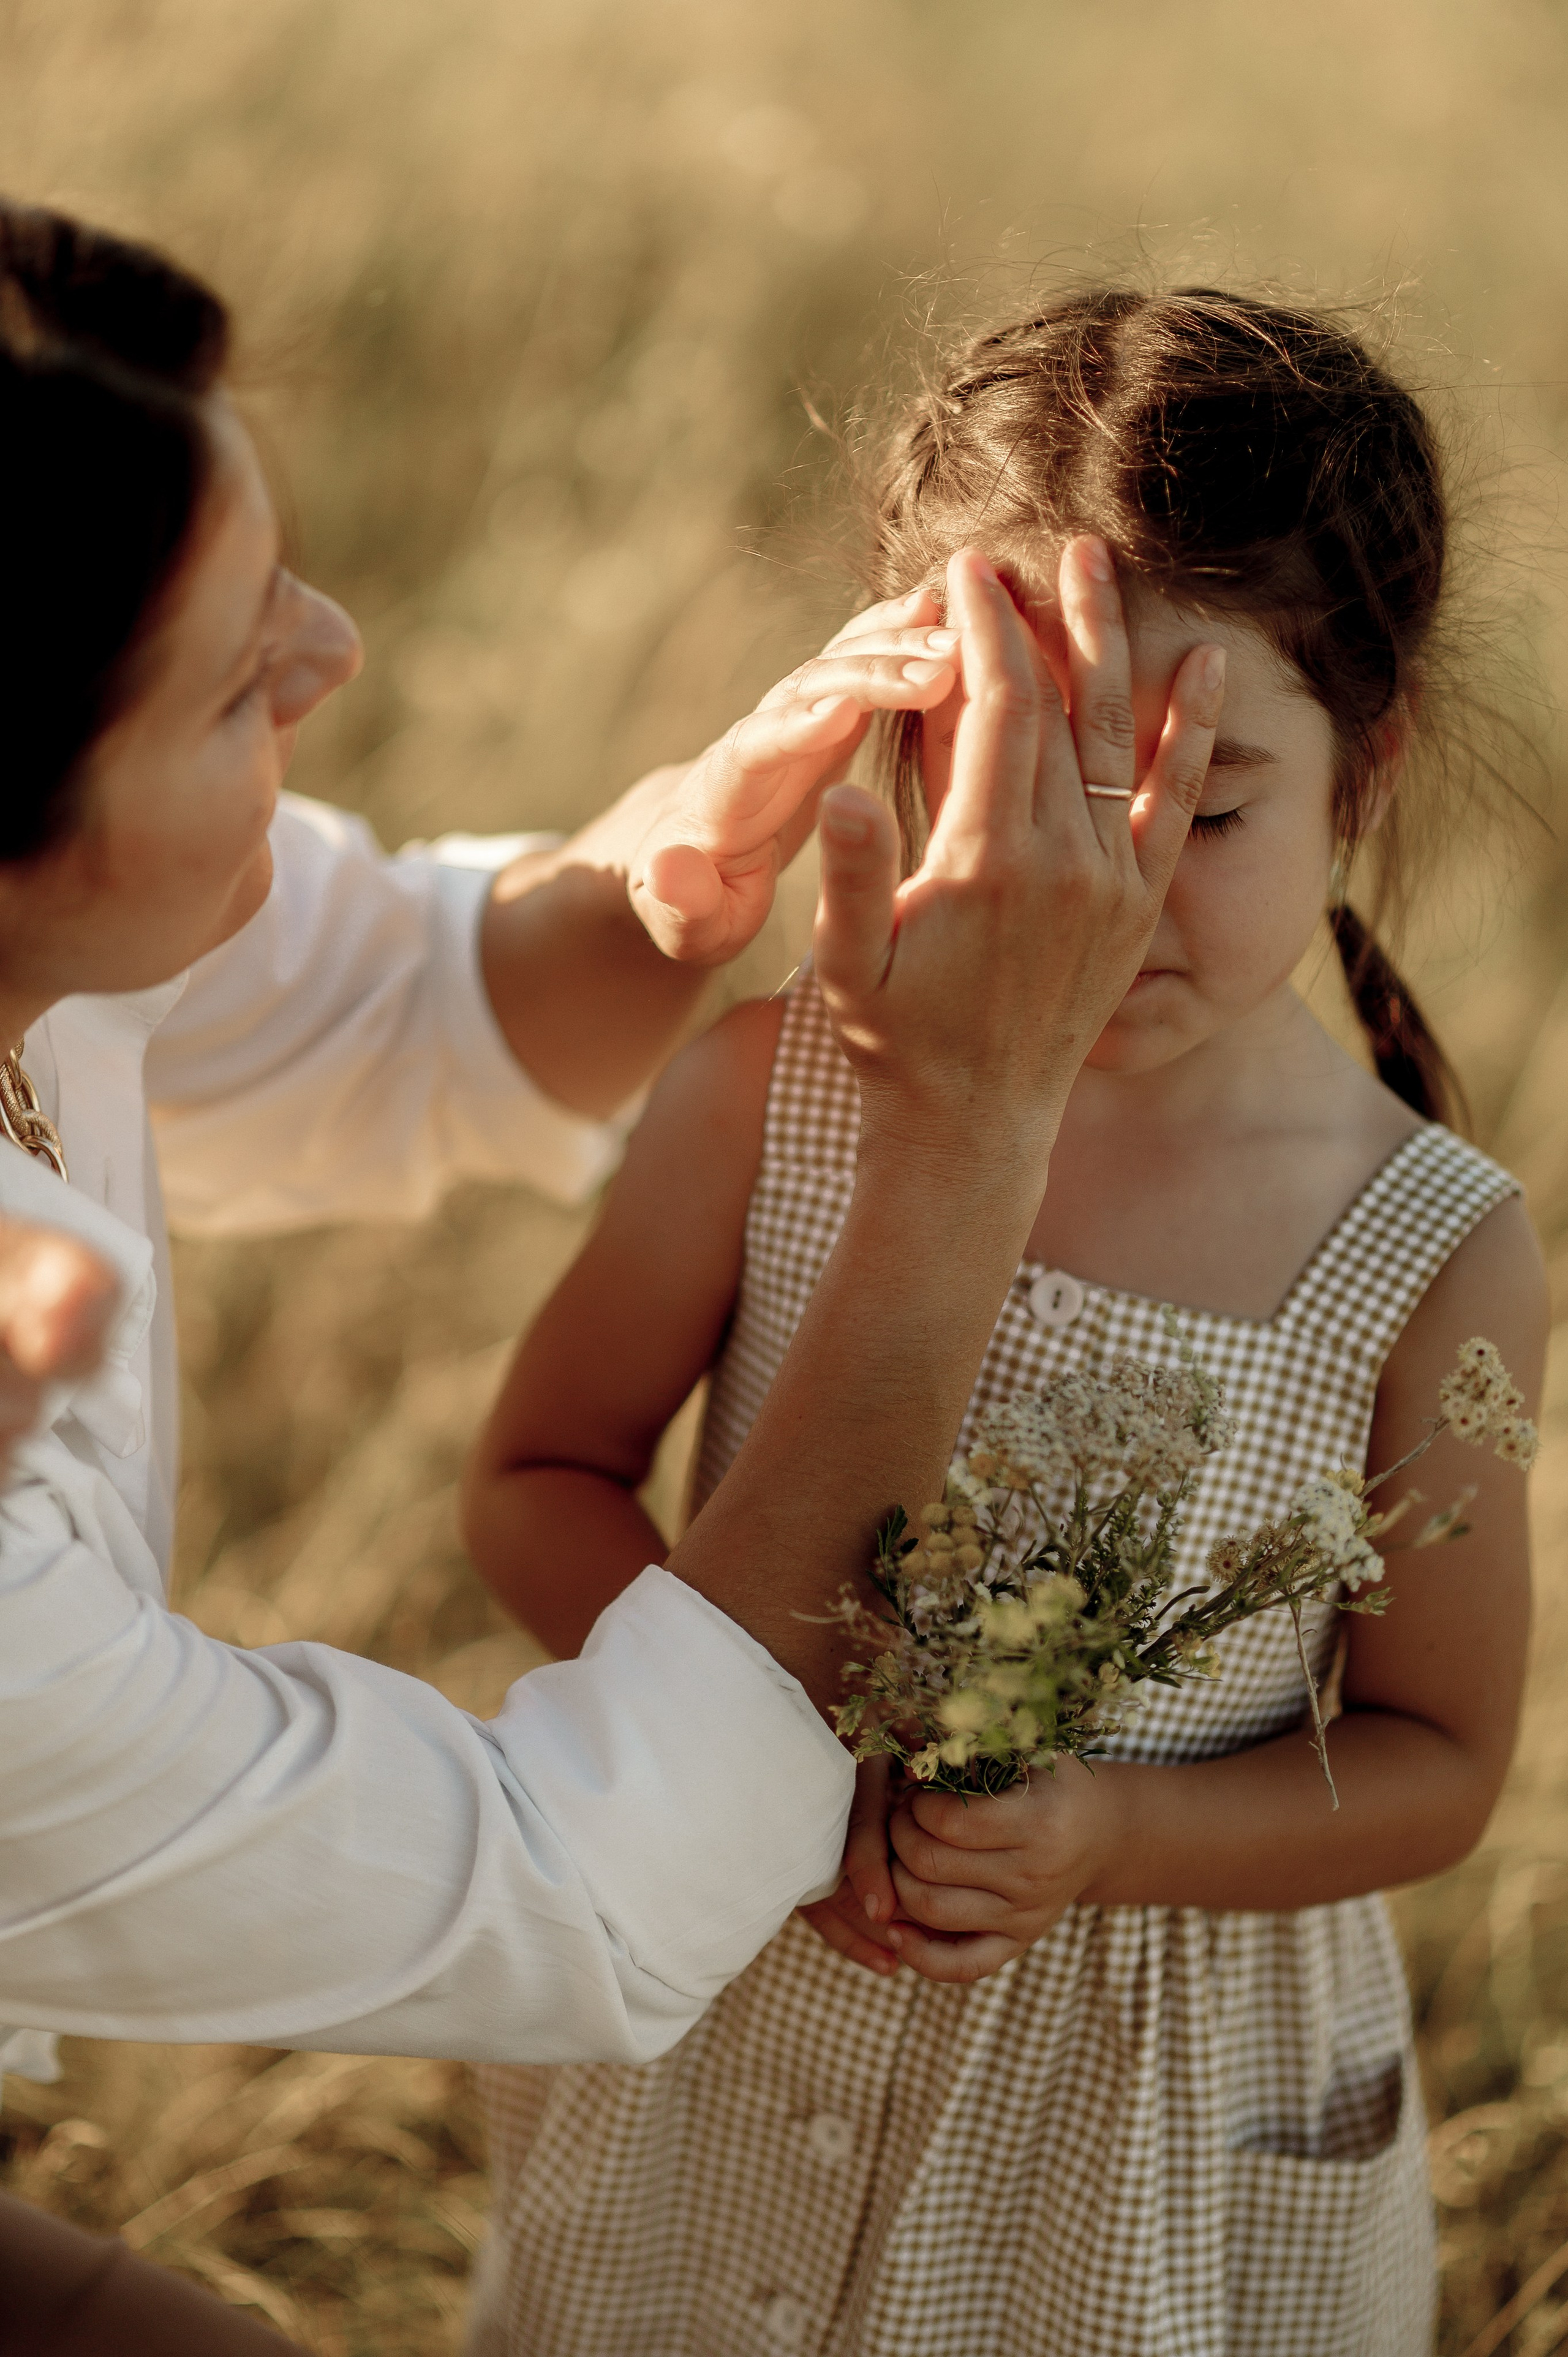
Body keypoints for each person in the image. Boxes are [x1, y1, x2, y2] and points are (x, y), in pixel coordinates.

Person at [0, 205, 1222, 2348]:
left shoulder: (72, 943)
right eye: (227, 682)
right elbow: (570, 1891)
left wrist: (681, 870)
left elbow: (413, 1009)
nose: (335, 647)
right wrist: (965, 1134)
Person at [462, 290, 1549, 2357]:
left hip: (1129, 2147)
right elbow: (533, 1481)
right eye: (1009, 793)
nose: (1101, 899)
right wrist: (744, 1763)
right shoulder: (766, 1096)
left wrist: (1110, 1830)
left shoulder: (1427, 1246)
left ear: (1367, 765)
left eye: (1202, 809)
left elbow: (1435, 1760)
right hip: (736, 1988)